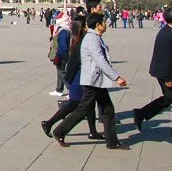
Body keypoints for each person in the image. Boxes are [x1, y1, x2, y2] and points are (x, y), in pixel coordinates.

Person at [52, 13, 129, 150]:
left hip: (96, 81)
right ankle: (60, 131)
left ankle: (112, 141)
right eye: (103, 22)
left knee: (108, 109)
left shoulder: (94, 37)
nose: (106, 24)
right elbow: (100, 61)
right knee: (83, 110)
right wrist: (116, 77)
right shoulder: (92, 39)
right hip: (92, 81)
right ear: (98, 25)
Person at [41, 19, 103, 141]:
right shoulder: (82, 41)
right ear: (83, 28)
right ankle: (49, 123)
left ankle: (93, 131)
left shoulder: (80, 40)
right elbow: (76, 63)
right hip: (79, 79)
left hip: (82, 78)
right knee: (75, 105)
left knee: (89, 105)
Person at [133, 7, 172, 138]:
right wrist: (169, 78)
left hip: (166, 72)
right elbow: (165, 57)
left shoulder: (168, 31)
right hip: (167, 74)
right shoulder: (167, 35)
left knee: (169, 98)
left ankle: (141, 114)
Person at [48, 12, 71, 96]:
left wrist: (58, 55)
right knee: (59, 71)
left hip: (61, 54)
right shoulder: (64, 28)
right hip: (61, 53)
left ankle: (72, 90)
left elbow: (63, 46)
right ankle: (59, 89)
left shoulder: (64, 30)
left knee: (61, 72)